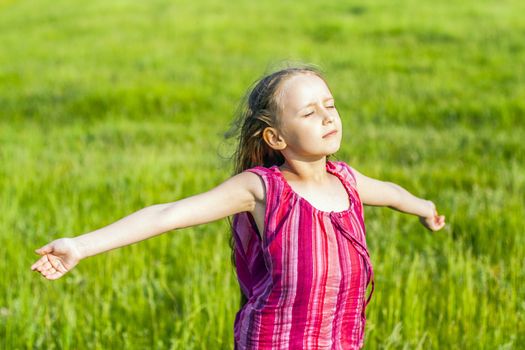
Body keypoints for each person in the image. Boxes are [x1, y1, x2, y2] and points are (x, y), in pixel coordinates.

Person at [31, 65, 446, 349]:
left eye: (330, 104)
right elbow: (168, 215)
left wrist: (425, 207)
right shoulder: (263, 189)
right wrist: (81, 246)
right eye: (308, 111)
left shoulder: (348, 181)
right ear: (276, 138)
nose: (326, 116)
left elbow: (391, 193)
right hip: (274, 340)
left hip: (341, 339)